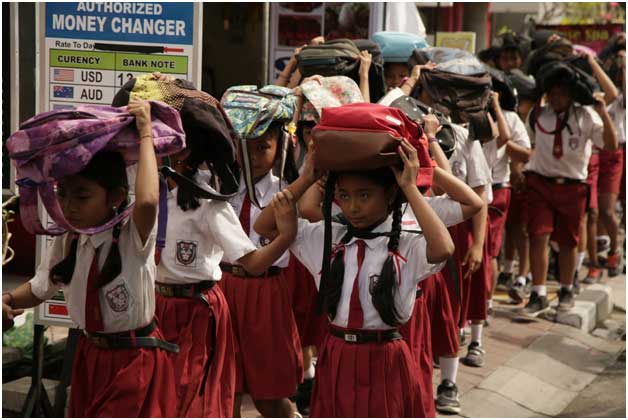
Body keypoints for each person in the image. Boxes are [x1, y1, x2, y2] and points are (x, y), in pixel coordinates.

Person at [255, 136, 455, 417]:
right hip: (337, 354)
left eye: (364, 195)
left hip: (385, 357)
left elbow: (444, 248)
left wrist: (409, 188)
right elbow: (264, 226)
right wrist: (307, 178)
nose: (352, 207)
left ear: (389, 194)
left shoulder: (404, 244)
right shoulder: (327, 237)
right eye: (344, 195)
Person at [2, 101, 177, 417]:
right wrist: (8, 299)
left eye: (82, 196)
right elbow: (41, 287)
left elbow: (148, 202)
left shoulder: (132, 235)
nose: (68, 206)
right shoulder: (68, 238)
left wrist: (145, 134)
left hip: (134, 360)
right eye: (62, 194)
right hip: (89, 356)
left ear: (116, 197)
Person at [153, 143, 298, 416]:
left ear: (181, 157)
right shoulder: (152, 197)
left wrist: (286, 237)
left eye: (158, 150)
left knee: (200, 399)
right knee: (167, 400)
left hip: (198, 311)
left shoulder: (211, 204)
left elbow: (254, 263)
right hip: (161, 309)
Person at [219, 88, 304, 416]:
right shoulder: (221, 184)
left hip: (265, 292)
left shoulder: (286, 189)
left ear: (280, 146)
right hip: (224, 288)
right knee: (226, 389)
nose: (253, 156)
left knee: (270, 394)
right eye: (245, 147)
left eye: (262, 147)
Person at [523, 76, 618, 315]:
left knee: (568, 241)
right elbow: (528, 144)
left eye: (562, 93)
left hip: (573, 186)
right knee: (538, 236)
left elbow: (610, 144)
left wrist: (603, 113)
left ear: (571, 95)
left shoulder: (586, 115)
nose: (556, 98)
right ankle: (538, 292)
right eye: (552, 93)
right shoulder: (538, 115)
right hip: (541, 183)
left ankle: (566, 288)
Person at [483, 91, 532, 306]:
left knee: (492, 250)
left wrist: (500, 138)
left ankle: (487, 303)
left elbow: (523, 152)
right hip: (471, 190)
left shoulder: (510, 118)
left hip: (499, 188)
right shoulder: (467, 114)